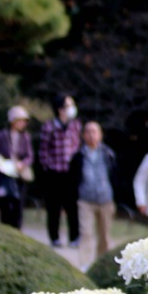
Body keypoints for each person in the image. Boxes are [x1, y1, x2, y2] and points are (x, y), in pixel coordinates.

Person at [37, 93, 83, 248]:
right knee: (53, 208)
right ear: (60, 109)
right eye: (68, 105)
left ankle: (74, 237)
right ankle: (54, 237)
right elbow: (43, 151)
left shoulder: (75, 125)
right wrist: (48, 168)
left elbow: (77, 146)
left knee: (72, 207)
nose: (72, 108)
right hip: (54, 173)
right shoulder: (49, 126)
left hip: (70, 172)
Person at [72, 121, 118, 259]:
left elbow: (115, 176)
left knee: (104, 236)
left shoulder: (108, 154)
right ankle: (85, 265)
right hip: (85, 200)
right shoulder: (78, 156)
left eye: (95, 131)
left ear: (100, 134)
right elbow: (73, 179)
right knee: (85, 233)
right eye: (88, 131)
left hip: (106, 199)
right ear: (83, 135)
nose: (92, 135)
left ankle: (101, 264)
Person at [0, 105, 35, 230]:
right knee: (5, 205)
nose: (22, 123)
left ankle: (17, 230)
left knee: (18, 205)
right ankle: (5, 231)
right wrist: (0, 163)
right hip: (4, 175)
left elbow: (30, 155)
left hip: (19, 175)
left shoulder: (26, 137)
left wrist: (22, 164)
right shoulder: (1, 135)